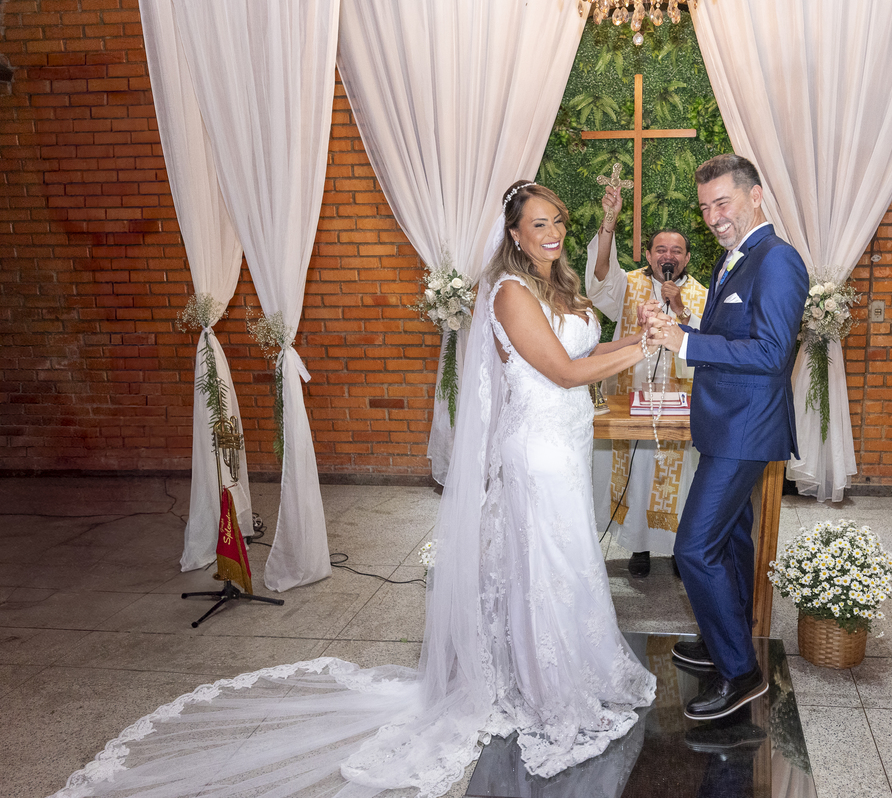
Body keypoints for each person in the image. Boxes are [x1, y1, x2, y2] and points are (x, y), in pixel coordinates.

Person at [52, 181, 658, 798]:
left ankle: (576, 667)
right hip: (535, 453)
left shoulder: (556, 283)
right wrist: (644, 344)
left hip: (566, 443)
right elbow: (563, 371)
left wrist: (632, 339)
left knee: (569, 559)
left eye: (557, 221)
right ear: (514, 234)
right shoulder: (508, 293)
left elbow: (585, 347)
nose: (552, 233)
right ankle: (546, 685)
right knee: (545, 564)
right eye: (538, 225)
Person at [648, 154, 808, 721]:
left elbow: (769, 354)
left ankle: (741, 673)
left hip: (746, 429)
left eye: (724, 202)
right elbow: (725, 339)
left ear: (756, 196)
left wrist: (686, 346)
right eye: (706, 206)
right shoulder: (730, 262)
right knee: (732, 542)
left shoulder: (777, 260)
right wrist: (678, 331)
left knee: (694, 547)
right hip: (722, 424)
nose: (713, 216)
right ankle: (726, 641)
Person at [586, 185, 708, 578]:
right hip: (630, 397)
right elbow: (600, 274)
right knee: (636, 472)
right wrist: (609, 222)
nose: (667, 257)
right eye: (660, 250)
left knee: (681, 477)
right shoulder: (629, 283)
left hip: (679, 404)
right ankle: (637, 546)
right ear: (650, 255)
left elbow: (710, 341)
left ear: (687, 257)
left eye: (675, 251)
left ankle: (677, 548)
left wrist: (680, 309)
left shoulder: (703, 294)